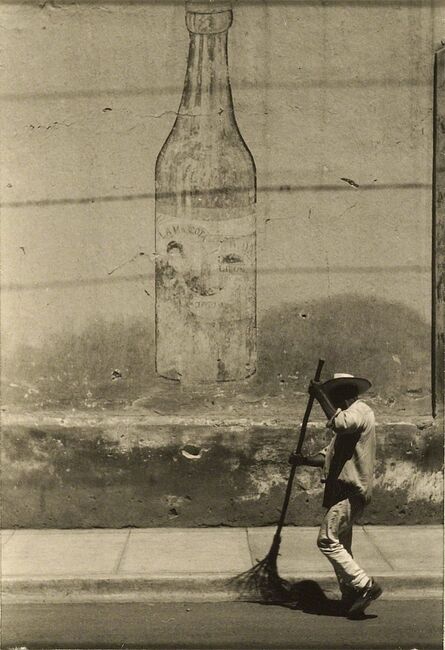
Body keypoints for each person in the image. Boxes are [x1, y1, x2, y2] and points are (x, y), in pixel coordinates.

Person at [289, 372, 382, 618]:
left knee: (327, 540)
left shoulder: (360, 411)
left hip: (351, 491)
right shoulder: (347, 423)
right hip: (343, 491)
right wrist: (303, 460)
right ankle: (351, 594)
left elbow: (339, 422)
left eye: (334, 395)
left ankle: (364, 584)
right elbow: (326, 457)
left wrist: (319, 395)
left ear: (345, 394)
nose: (333, 401)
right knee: (342, 546)